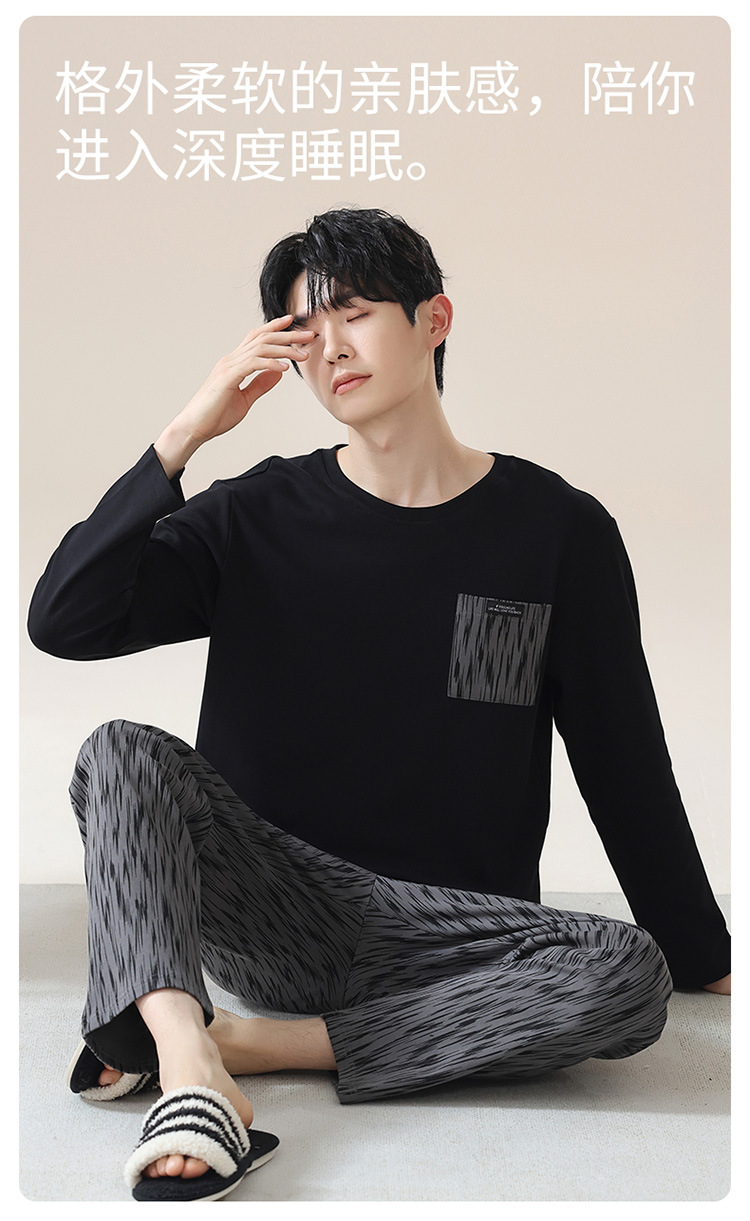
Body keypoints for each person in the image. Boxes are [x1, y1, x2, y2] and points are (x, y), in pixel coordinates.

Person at [28, 207, 730, 1202]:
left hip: (457, 939)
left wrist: (700, 955)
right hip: (274, 913)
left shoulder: (556, 532)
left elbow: (624, 758)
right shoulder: (252, 515)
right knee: (120, 751)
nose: (330, 348)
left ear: (434, 319)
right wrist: (185, 435)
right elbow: (65, 619)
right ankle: (185, 1062)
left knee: (627, 971)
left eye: (353, 312)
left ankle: (249, 1045)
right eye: (304, 330)